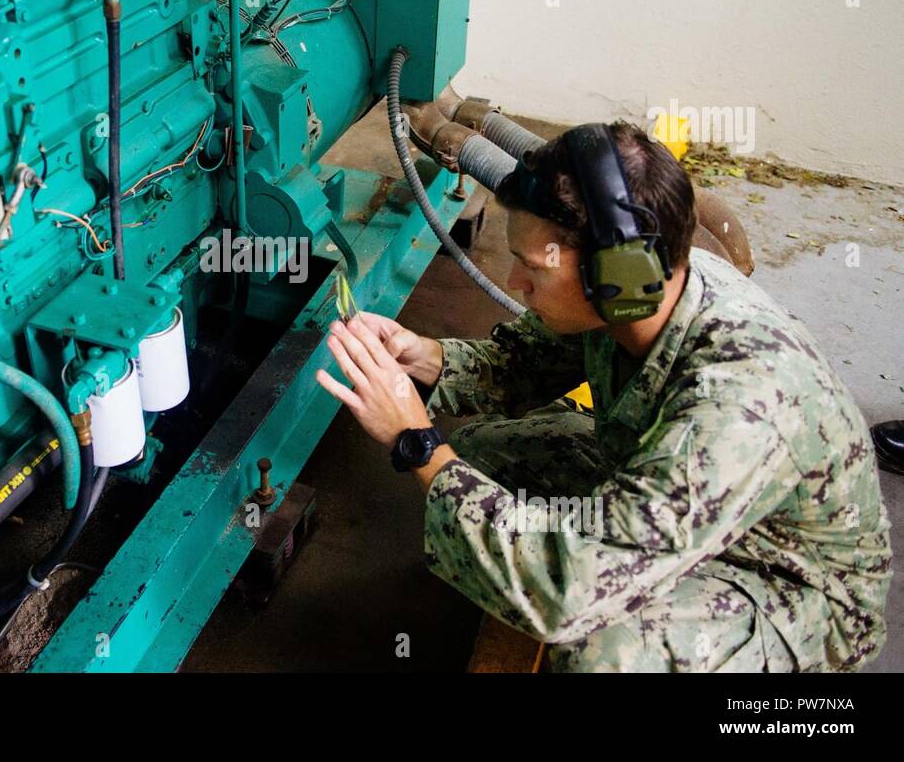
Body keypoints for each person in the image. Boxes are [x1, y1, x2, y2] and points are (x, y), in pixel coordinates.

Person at [316, 120, 892, 671]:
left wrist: (417, 442)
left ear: (612, 275)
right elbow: (525, 360)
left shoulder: (738, 405)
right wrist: (427, 356)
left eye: (529, 267)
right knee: (486, 456)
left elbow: (568, 594)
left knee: (600, 653)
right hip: (681, 495)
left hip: (784, 587)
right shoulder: (637, 293)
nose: (514, 284)